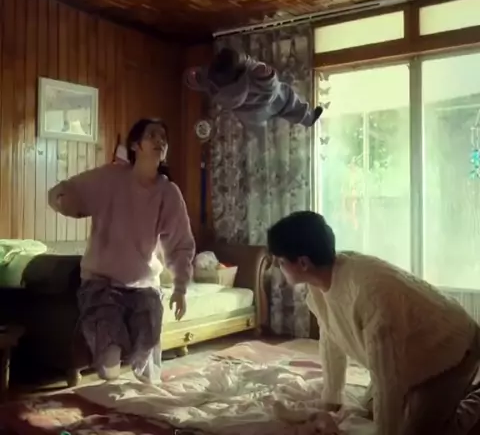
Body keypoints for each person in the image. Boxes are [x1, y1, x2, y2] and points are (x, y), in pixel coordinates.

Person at [267, 211, 480, 435]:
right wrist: (331, 400)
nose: (277, 269)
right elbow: (331, 339)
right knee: (367, 413)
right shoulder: (319, 285)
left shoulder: (370, 295)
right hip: (408, 356)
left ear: (303, 263)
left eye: (281, 262)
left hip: (452, 350)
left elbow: (388, 382)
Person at [48, 119, 195, 383]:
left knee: (147, 357)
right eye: (152, 135)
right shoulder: (110, 178)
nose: (160, 141)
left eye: (164, 137)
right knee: (109, 360)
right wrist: (62, 201)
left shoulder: (168, 192)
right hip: (101, 283)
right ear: (136, 145)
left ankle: (146, 392)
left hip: (144, 286)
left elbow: (180, 244)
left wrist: (181, 288)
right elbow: (68, 191)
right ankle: (107, 369)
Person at [184, 47, 323, 130]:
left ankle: (306, 119)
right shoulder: (249, 79)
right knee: (287, 99)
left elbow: (207, 83)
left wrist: (196, 78)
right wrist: (267, 75)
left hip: (252, 114)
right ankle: (307, 118)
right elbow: (271, 85)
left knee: (282, 108)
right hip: (263, 102)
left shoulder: (220, 87)